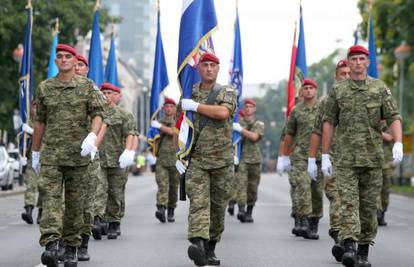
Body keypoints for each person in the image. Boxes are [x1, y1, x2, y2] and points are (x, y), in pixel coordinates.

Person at [321, 45, 402, 267]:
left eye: (362, 59)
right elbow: (328, 121)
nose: (358, 63)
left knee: (368, 208)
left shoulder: (379, 88)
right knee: (348, 203)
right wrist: (325, 154)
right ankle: (349, 246)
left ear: (368, 63)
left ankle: (364, 252)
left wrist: (398, 142)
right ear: (348, 62)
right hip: (346, 159)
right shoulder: (338, 91)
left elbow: (394, 116)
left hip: (373, 159)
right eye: (354, 59)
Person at [32, 44, 107, 267]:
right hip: (52, 155)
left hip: (79, 156)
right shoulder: (45, 88)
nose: (63, 60)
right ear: (56, 62)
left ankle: (72, 246)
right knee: (51, 201)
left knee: (75, 205)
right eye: (60, 57)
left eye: (68, 57)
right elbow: (39, 121)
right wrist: (35, 152)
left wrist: (92, 136)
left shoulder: (87, 87)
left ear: (76, 62)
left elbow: (98, 114)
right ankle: (51, 246)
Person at [176, 52, 236, 266]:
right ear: (198, 68)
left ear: (218, 69)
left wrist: (196, 107)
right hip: (198, 160)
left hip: (223, 161)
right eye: (205, 65)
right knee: (199, 204)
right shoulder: (188, 93)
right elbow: (180, 126)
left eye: (213, 65)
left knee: (218, 207)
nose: (209, 69)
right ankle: (198, 244)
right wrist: (180, 154)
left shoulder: (227, 91)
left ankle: (210, 247)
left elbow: (222, 113)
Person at [308, 59, 350, 261]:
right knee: (337, 197)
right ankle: (340, 237)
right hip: (333, 157)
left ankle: (351, 239)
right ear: (336, 77)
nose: (347, 77)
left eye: (349, 73)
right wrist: (314, 158)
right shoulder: (327, 101)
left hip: (360, 159)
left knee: (356, 203)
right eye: (343, 74)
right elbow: (317, 130)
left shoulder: (368, 95)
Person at [95, 82, 139, 240]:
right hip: (98, 159)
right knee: (98, 190)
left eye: (109, 93)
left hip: (118, 159)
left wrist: (128, 152)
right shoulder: (95, 114)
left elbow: (131, 134)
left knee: (115, 193)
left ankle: (114, 222)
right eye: (103, 93)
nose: (106, 96)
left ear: (117, 96)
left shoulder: (124, 115)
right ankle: (97, 220)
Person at [282, 79, 323, 240]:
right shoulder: (296, 110)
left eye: (311, 88)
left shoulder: (323, 109)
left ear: (316, 91)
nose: (308, 91)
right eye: (305, 88)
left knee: (317, 192)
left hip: (319, 156)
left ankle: (314, 222)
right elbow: (289, 133)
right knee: (303, 187)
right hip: (300, 156)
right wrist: (284, 156)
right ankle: (304, 221)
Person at [73, 54, 103, 260]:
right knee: (64, 202)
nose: (76, 68)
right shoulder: (56, 87)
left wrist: (93, 143)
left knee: (86, 202)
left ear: (87, 69)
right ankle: (61, 243)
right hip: (64, 154)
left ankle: (83, 242)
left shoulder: (94, 91)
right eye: (74, 64)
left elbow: (103, 122)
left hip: (88, 154)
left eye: (80, 65)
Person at [232, 99, 264, 223]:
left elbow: (255, 137)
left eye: (251, 107)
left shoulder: (258, 124)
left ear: (254, 109)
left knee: (253, 188)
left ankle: (249, 211)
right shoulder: (237, 122)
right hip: (241, 159)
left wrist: (240, 130)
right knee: (241, 185)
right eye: (246, 107)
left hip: (254, 160)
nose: (249, 109)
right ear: (243, 109)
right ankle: (241, 210)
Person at [150, 98, 180, 223]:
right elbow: (152, 139)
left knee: (173, 188)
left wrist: (160, 127)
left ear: (174, 108)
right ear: (163, 109)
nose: (168, 109)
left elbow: (174, 132)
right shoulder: (158, 122)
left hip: (176, 161)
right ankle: (161, 208)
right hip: (162, 159)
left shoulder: (179, 122)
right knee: (162, 185)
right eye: (166, 106)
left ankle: (171, 210)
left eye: (171, 106)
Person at [21, 100, 43, 225]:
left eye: (38, 106)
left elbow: (47, 135)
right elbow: (21, 140)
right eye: (34, 106)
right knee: (31, 184)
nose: (36, 109)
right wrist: (22, 154)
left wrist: (32, 131)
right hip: (31, 159)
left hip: (45, 158)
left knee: (44, 187)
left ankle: (41, 211)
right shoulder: (28, 122)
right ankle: (28, 209)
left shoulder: (47, 120)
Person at [377, 122, 395, 226]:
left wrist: (375, 132)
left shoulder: (391, 123)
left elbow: (390, 137)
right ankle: (377, 212)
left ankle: (382, 212)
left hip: (387, 164)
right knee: (374, 189)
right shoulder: (372, 120)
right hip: (374, 162)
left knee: (385, 191)